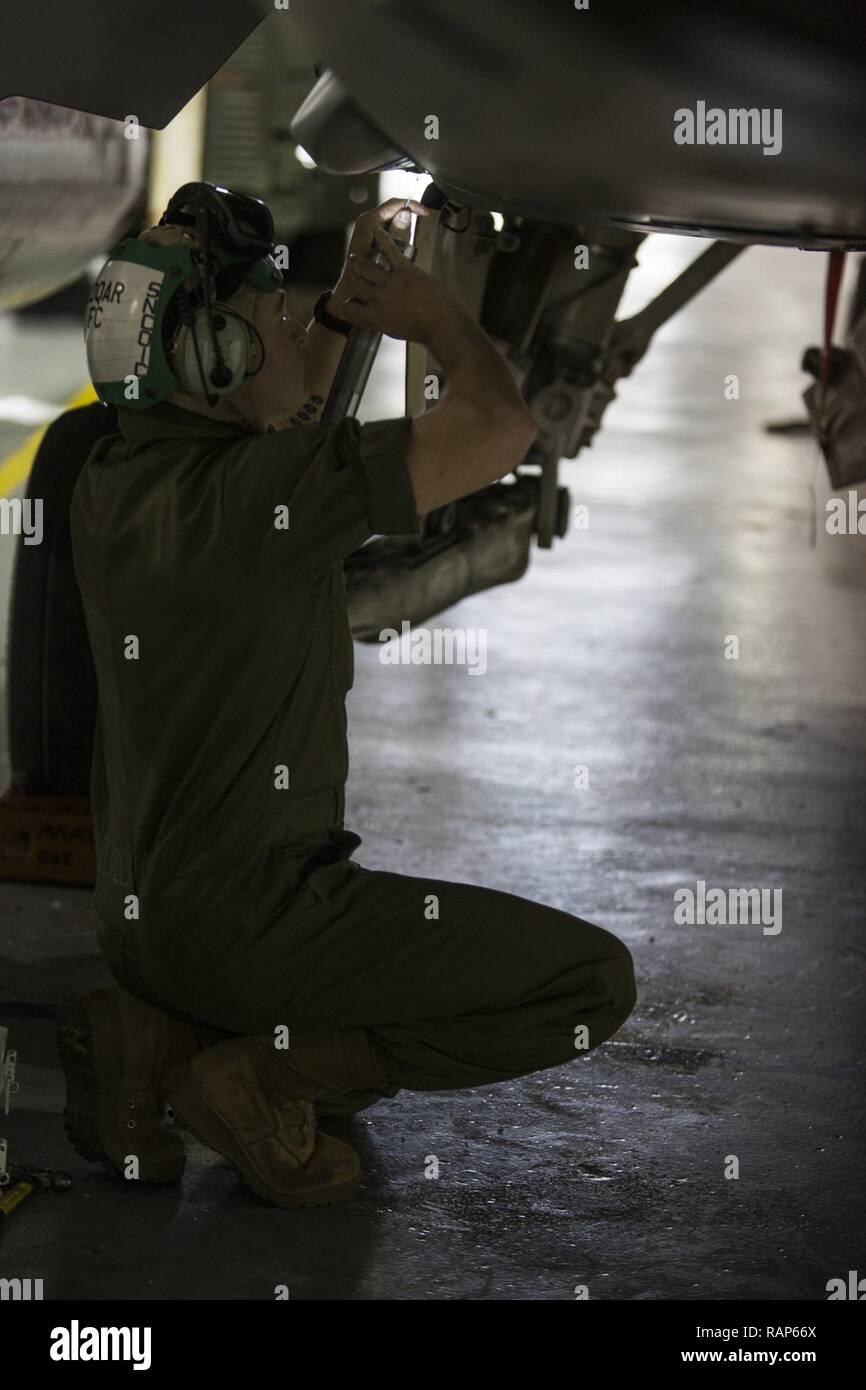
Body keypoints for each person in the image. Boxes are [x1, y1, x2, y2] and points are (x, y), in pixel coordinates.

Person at [59, 184, 636, 1207]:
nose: (295, 328)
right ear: (213, 357)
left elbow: (281, 419)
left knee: (357, 1027)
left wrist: (331, 317)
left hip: (140, 924)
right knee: (585, 984)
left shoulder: (113, 479)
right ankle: (256, 1075)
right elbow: (497, 428)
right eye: (274, 319)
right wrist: (432, 318)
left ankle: (161, 1031)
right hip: (254, 924)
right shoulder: (265, 493)